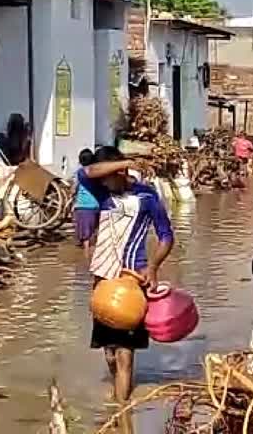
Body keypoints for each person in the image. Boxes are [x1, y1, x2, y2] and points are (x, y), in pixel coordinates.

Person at [78, 146, 174, 403]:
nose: (104, 182)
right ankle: (117, 401)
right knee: (109, 354)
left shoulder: (147, 197)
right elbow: (87, 171)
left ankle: (122, 415)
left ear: (120, 172)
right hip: (102, 281)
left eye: (109, 177)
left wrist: (153, 266)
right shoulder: (100, 191)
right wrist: (127, 161)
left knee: (124, 355)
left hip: (132, 281)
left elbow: (166, 236)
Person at [73, 148, 99, 261]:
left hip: (84, 207)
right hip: (97, 205)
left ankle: (86, 261)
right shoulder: (97, 172)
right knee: (95, 233)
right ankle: (95, 260)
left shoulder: (79, 173)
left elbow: (74, 189)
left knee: (86, 238)